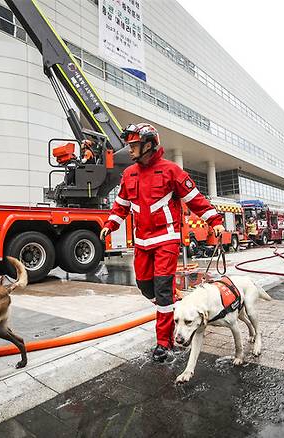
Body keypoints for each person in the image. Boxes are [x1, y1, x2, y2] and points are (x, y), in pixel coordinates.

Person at [99, 123, 224, 362]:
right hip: (142, 241)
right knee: (146, 287)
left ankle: (163, 343)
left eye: (134, 145)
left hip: (166, 239)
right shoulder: (129, 174)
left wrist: (215, 220)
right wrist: (110, 224)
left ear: (148, 145)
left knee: (163, 292)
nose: (130, 149)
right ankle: (178, 308)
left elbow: (195, 199)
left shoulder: (171, 171)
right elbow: (121, 205)